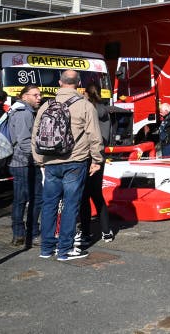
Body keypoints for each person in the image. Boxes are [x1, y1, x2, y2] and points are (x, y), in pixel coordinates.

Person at [33, 70, 103, 261]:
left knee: (49, 205)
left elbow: (35, 135)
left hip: (50, 162)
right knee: (71, 205)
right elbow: (94, 136)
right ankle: (65, 250)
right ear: (78, 83)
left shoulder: (46, 105)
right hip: (75, 162)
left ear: (59, 82)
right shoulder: (86, 106)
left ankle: (46, 249)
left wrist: (39, 161)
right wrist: (97, 160)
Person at [75, 82, 114, 249]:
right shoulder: (106, 111)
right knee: (97, 194)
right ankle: (106, 231)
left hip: (87, 154)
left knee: (84, 195)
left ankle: (85, 232)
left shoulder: (87, 110)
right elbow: (109, 135)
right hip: (100, 155)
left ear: (87, 94)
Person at [7, 85, 42, 248]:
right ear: (25, 96)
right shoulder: (24, 113)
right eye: (35, 95)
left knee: (22, 200)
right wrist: (38, 158)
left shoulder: (20, 110)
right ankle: (29, 234)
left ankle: (20, 234)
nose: (39, 98)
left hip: (21, 162)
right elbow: (24, 141)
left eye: (39, 95)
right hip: (25, 163)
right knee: (32, 199)